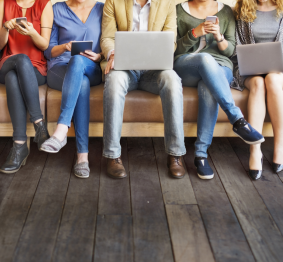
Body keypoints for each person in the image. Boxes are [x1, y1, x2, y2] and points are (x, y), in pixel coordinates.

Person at [174, 0, 264, 180]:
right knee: (205, 58)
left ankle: (200, 155)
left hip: (220, 68)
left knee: (208, 86)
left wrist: (219, 37)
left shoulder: (226, 12)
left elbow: (230, 51)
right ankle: (237, 119)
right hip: (188, 65)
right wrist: (194, 33)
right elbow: (175, 50)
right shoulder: (179, 11)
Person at [101, 0, 187, 179]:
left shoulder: (167, 3)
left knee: (172, 79)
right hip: (125, 68)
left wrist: (155, 55)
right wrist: (113, 54)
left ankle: (175, 154)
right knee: (114, 79)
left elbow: (171, 41)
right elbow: (107, 38)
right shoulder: (113, 2)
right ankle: (112, 155)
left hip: (153, 69)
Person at [40, 0, 104, 179]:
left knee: (77, 61)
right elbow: (48, 51)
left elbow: (109, 42)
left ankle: (61, 131)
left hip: (91, 67)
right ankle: (82, 157)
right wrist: (65, 47)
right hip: (60, 68)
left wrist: (99, 56)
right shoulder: (57, 10)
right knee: (81, 82)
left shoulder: (102, 9)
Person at [0, 0, 53, 174]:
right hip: (7, 62)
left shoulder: (45, 5)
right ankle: (39, 124)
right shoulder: (2, 3)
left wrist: (32, 32)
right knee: (20, 60)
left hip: (35, 69)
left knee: (14, 77)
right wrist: (5, 27)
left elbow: (44, 44)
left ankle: (19, 147)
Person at [232, 0, 283, 180]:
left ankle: (279, 145)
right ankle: (255, 150)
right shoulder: (242, 10)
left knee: (272, 79)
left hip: (278, 71)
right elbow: (236, 48)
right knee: (258, 83)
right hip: (249, 70)